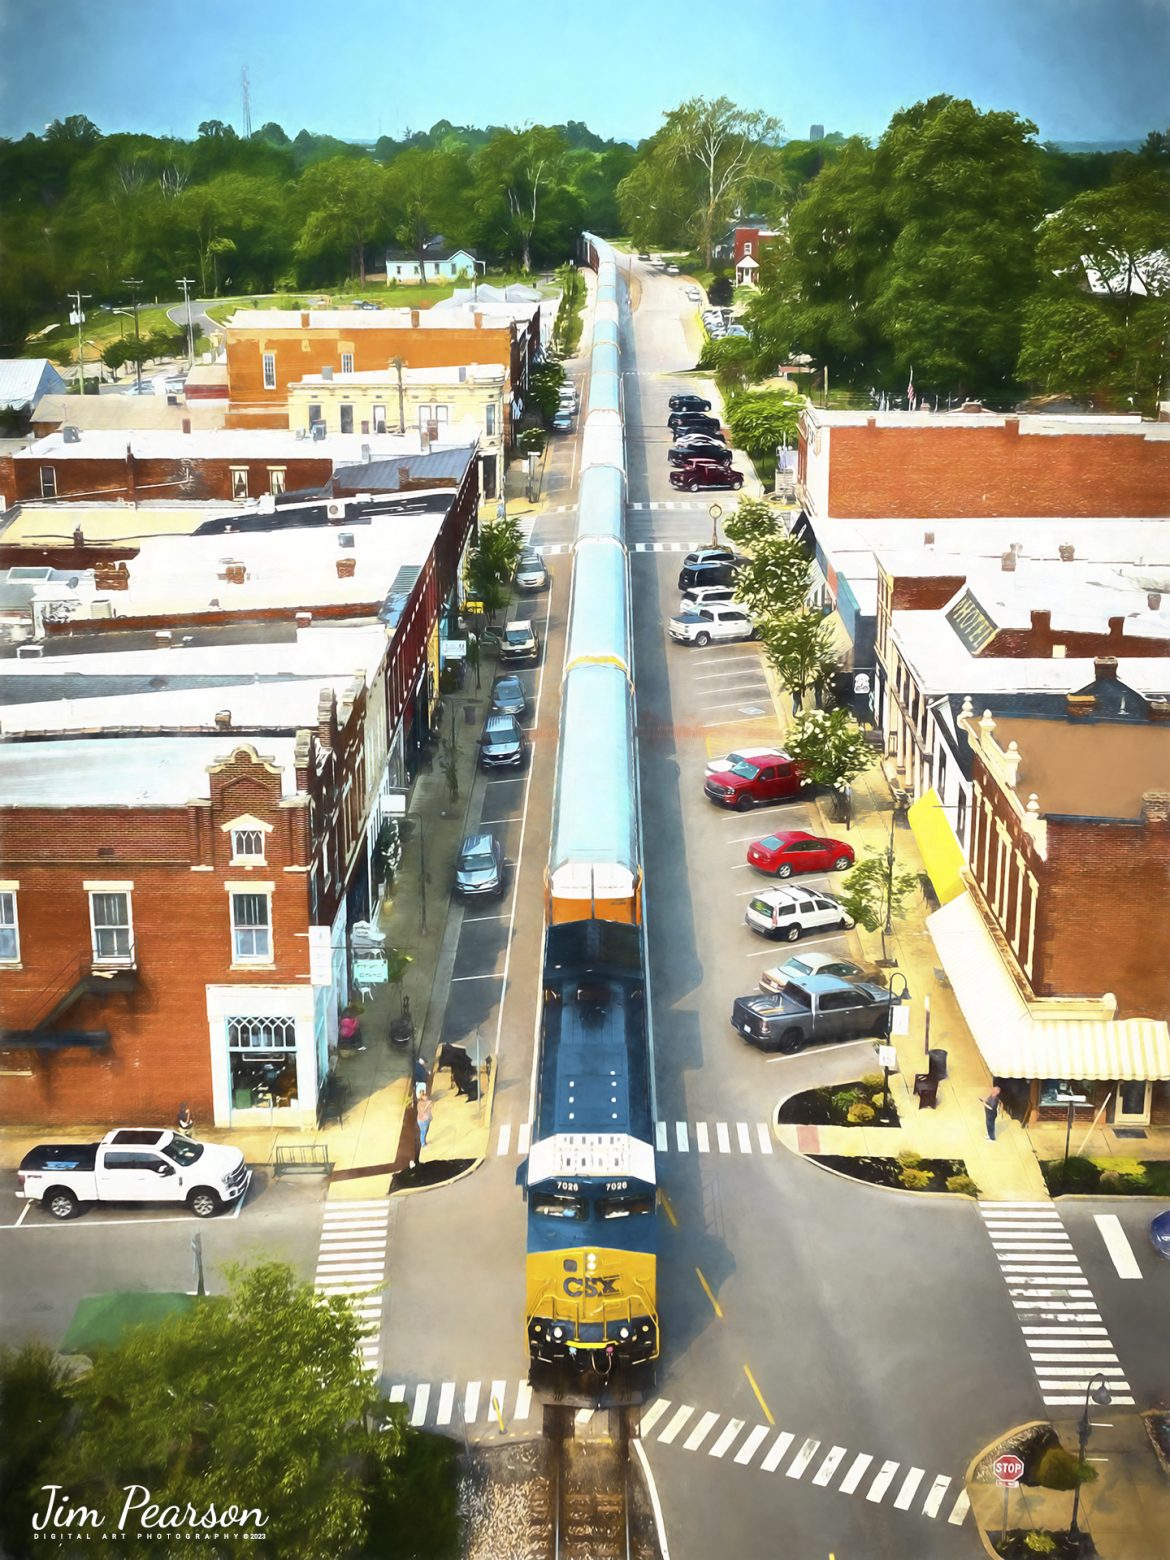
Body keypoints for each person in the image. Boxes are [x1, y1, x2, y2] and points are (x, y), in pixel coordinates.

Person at [416, 1087, 433, 1155]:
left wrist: (430, 1105)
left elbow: (429, 1109)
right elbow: (423, 1111)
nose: (426, 1097)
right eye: (424, 1096)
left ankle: (424, 1142)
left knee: (426, 1131)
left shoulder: (425, 1102)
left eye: (426, 1095)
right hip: (422, 1120)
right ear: (422, 1097)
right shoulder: (420, 1103)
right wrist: (428, 1104)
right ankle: (423, 1144)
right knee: (423, 1132)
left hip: (426, 1119)